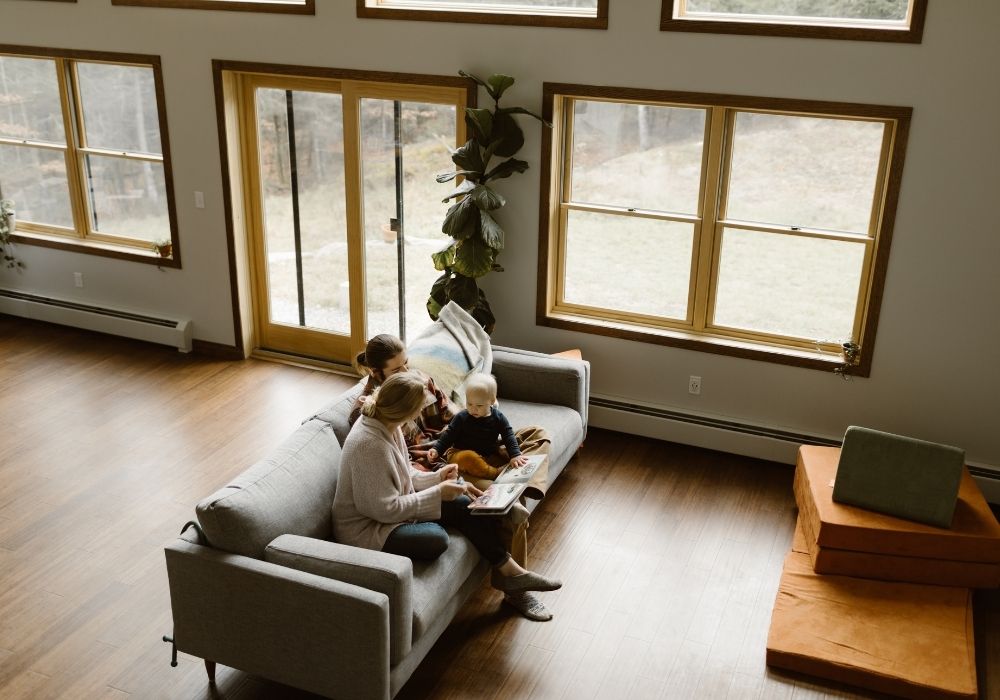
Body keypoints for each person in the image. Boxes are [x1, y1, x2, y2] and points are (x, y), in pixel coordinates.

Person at [333, 371, 560, 621]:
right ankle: (513, 562)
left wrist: (438, 477)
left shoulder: (388, 424)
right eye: (418, 409)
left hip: (391, 509)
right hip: (370, 529)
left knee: (465, 502)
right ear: (406, 410)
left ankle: (514, 573)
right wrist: (437, 494)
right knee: (435, 539)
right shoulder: (369, 445)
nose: (420, 414)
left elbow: (406, 473)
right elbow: (382, 510)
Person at [350, 333, 550, 501]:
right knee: (493, 492)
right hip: (442, 463)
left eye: (406, 364)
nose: (406, 372)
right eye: (396, 370)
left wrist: (485, 417)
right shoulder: (370, 410)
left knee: (538, 434)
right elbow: (398, 464)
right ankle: (510, 481)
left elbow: (454, 415)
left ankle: (524, 482)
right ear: (376, 373)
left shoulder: (420, 379)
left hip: (466, 440)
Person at [427, 373, 528, 481]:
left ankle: (518, 466)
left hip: (488, 455)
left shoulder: (498, 417)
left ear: (492, 401)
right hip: (460, 454)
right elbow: (448, 435)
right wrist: (437, 449)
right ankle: (495, 473)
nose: (473, 409)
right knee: (469, 457)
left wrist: (515, 454)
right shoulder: (461, 417)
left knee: (517, 445)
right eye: (469, 404)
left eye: (479, 406)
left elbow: (508, 435)